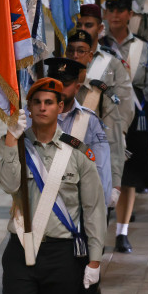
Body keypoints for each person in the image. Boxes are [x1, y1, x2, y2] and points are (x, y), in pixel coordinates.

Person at [0, 78, 106, 294]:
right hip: (21, 248)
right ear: (29, 107)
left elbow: (94, 208)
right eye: (36, 102)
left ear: (61, 107)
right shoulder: (13, 144)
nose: (42, 107)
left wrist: (94, 260)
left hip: (62, 254)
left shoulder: (78, 152)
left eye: (49, 102)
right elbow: (8, 185)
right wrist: (11, 137)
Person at [100, 0, 148, 253]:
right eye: (111, 9)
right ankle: (99, 228)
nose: (115, 15)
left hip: (135, 114)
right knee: (103, 172)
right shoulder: (98, 46)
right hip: (103, 115)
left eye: (121, 10)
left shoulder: (142, 47)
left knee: (129, 175)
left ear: (130, 14)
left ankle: (122, 231)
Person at [64, 28, 127, 210]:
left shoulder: (99, 93)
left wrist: (115, 182)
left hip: (92, 175)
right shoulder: (52, 91)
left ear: (90, 56)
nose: (75, 55)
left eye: (81, 51)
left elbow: (113, 141)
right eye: (71, 51)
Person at [43, 57, 112, 203]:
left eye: (65, 84)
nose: (59, 89)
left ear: (77, 87)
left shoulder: (90, 122)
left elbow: (100, 171)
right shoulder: (29, 118)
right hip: (40, 206)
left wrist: (99, 209)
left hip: (76, 206)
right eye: (54, 84)